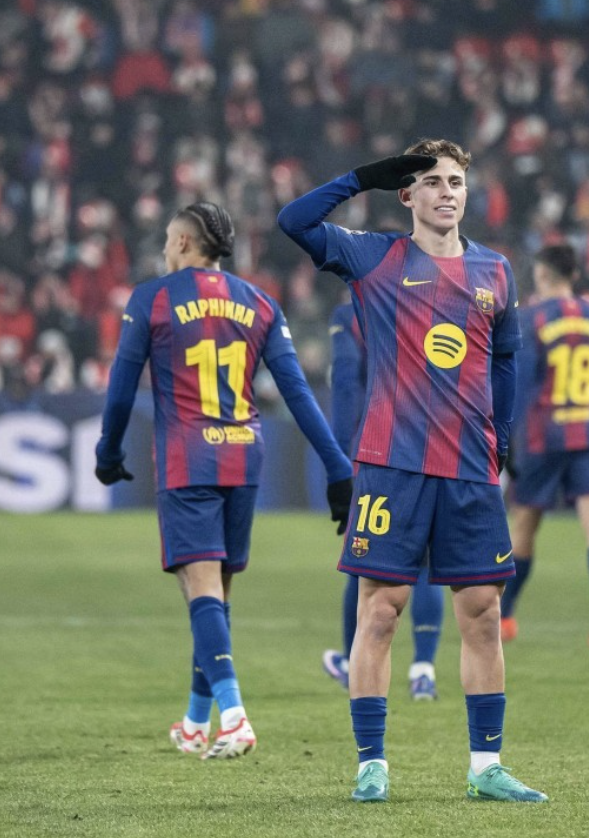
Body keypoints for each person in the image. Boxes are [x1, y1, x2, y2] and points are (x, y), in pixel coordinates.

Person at [279, 139, 546, 803]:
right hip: (391, 465)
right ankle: (371, 764)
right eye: (431, 181)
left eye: (455, 181)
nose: (446, 192)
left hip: (469, 469)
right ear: (408, 195)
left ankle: (486, 766)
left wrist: (502, 438)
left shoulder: (495, 270)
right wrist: (362, 177)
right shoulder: (375, 257)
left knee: (482, 614)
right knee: (380, 613)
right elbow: (294, 221)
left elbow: (506, 360)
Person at [95, 201, 353, 761]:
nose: (166, 249)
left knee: (201, 588)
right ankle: (195, 722)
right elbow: (296, 391)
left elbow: (121, 386)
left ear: (185, 243)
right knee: (214, 592)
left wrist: (108, 449)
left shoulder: (153, 298)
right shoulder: (260, 302)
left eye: (169, 239)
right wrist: (337, 466)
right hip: (243, 453)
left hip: (189, 456)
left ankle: (234, 718)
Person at [322, 300, 445, 701]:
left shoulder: (353, 312)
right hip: (433, 444)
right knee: (425, 560)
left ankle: (351, 663)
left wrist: (340, 459)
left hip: (377, 449)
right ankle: (423, 670)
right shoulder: (434, 303)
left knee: (362, 559)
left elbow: (346, 384)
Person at [503, 244, 589, 646]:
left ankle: (506, 616)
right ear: (574, 275)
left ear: (541, 274)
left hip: (545, 434)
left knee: (524, 525)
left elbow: (520, 384)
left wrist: (507, 438)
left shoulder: (532, 318)